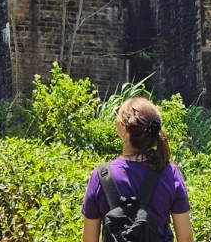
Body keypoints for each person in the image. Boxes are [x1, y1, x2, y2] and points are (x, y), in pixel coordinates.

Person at [82, 97, 193, 242]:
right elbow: (185, 237)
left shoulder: (101, 176)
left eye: (117, 113)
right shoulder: (170, 173)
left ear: (124, 130)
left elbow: (89, 239)